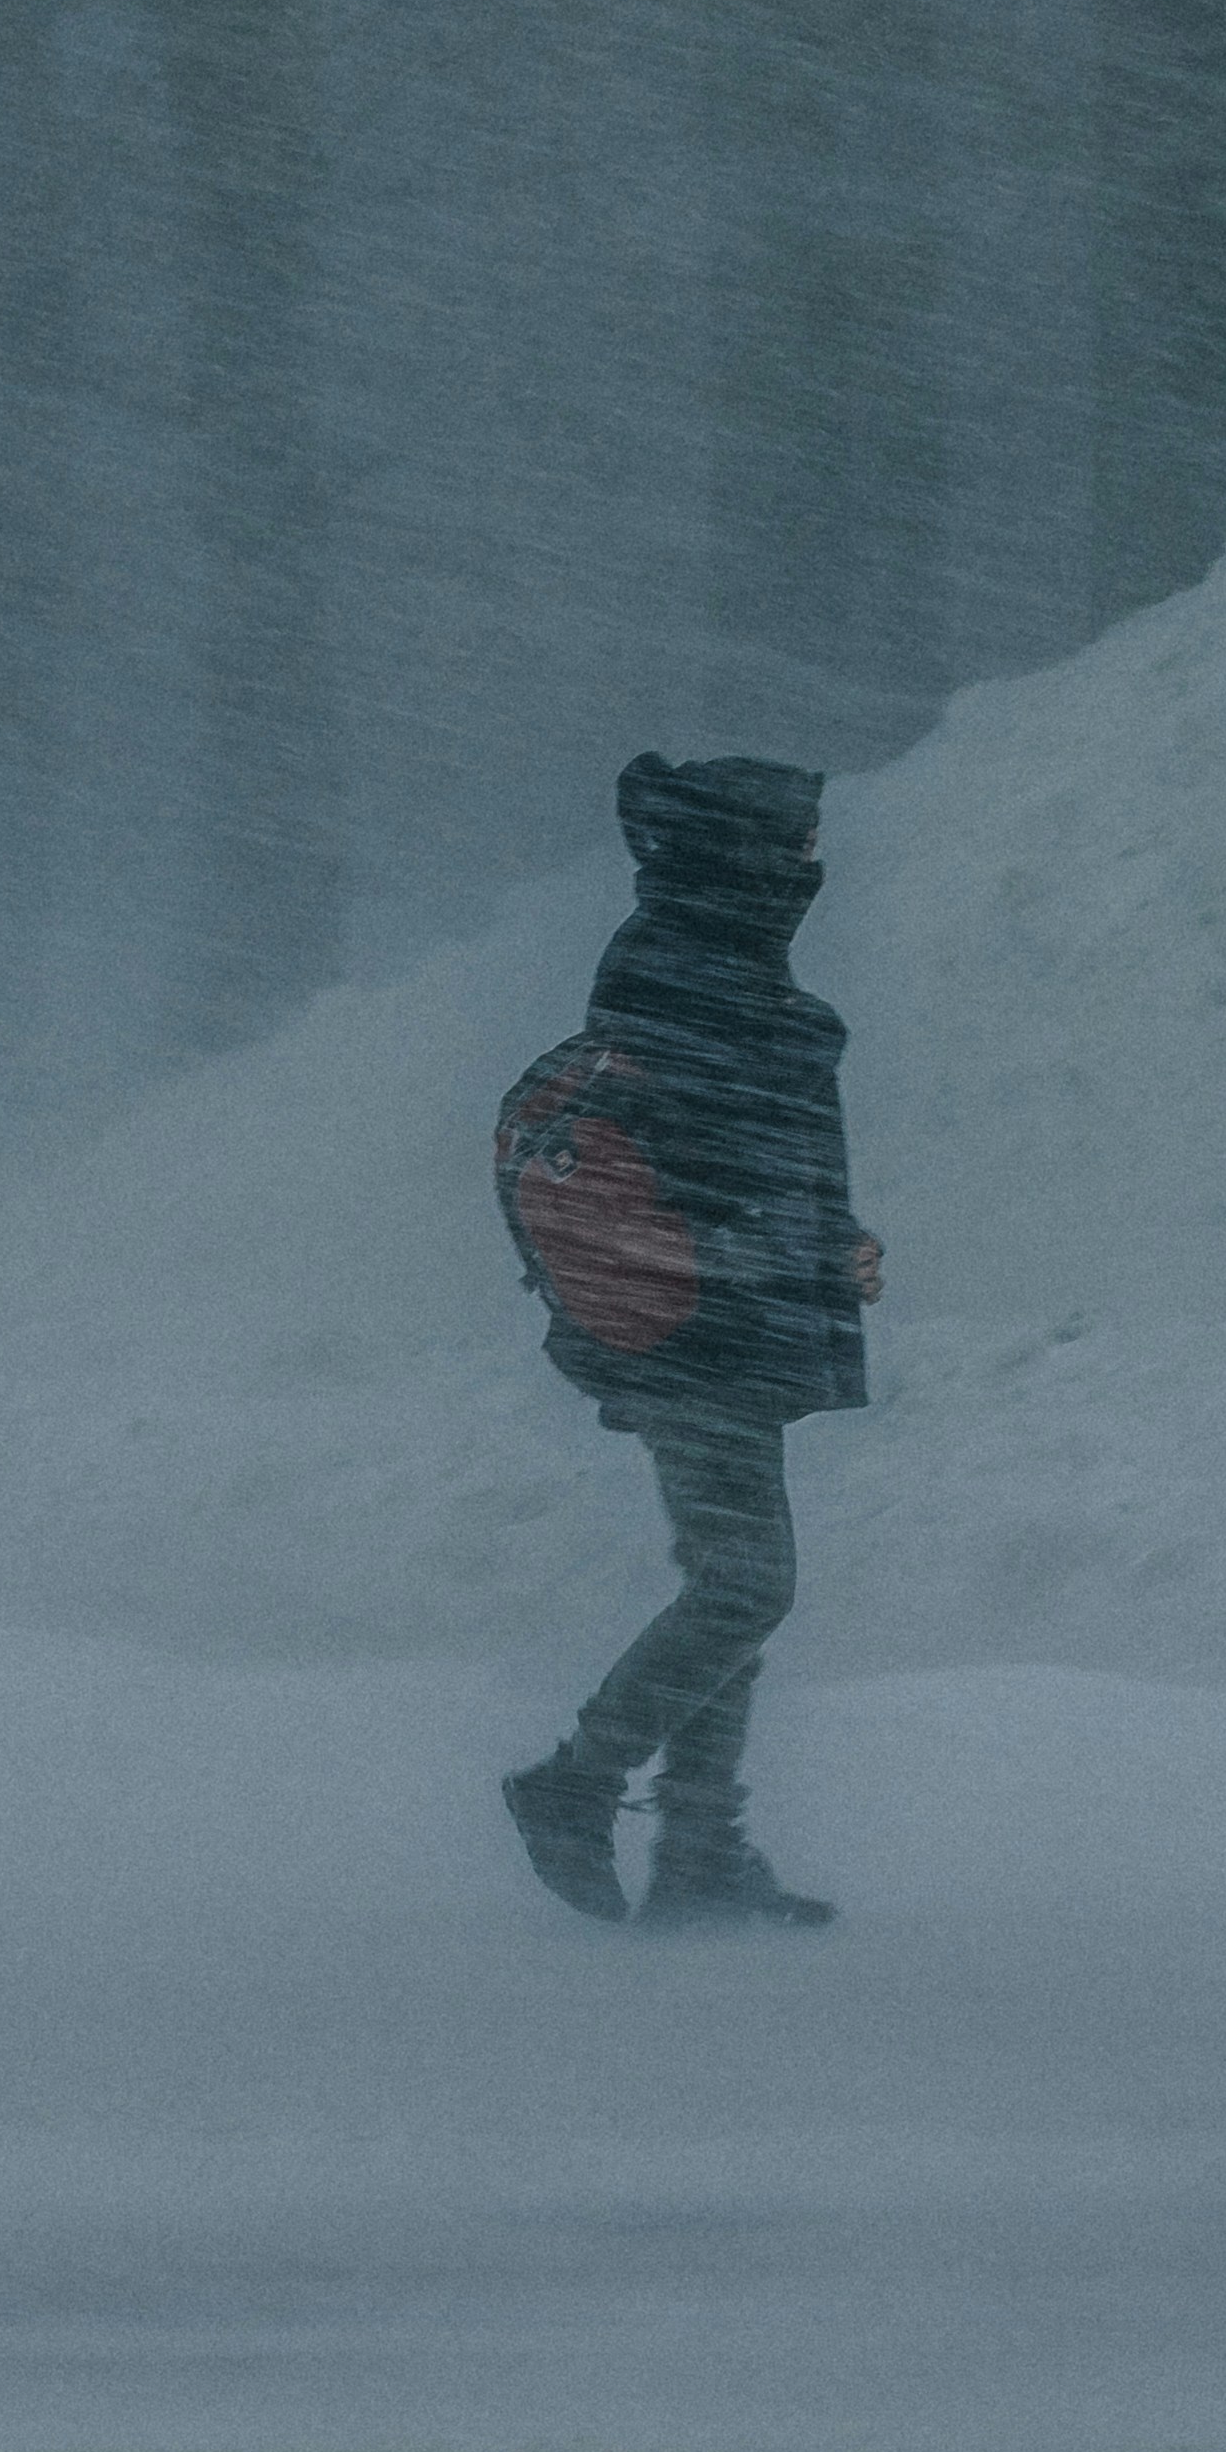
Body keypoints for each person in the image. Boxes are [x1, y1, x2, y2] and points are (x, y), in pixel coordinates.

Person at [498, 755, 881, 1929]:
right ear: (744, 849)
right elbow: (702, 1165)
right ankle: (577, 1781)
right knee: (749, 1584)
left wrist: (831, 1239)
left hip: (718, 1315)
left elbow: (734, 1154)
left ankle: (702, 1848)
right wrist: (801, 1250)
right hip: (691, 1324)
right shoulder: (688, 962)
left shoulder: (706, 948)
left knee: (729, 1580)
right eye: (799, 839)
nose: (815, 861)